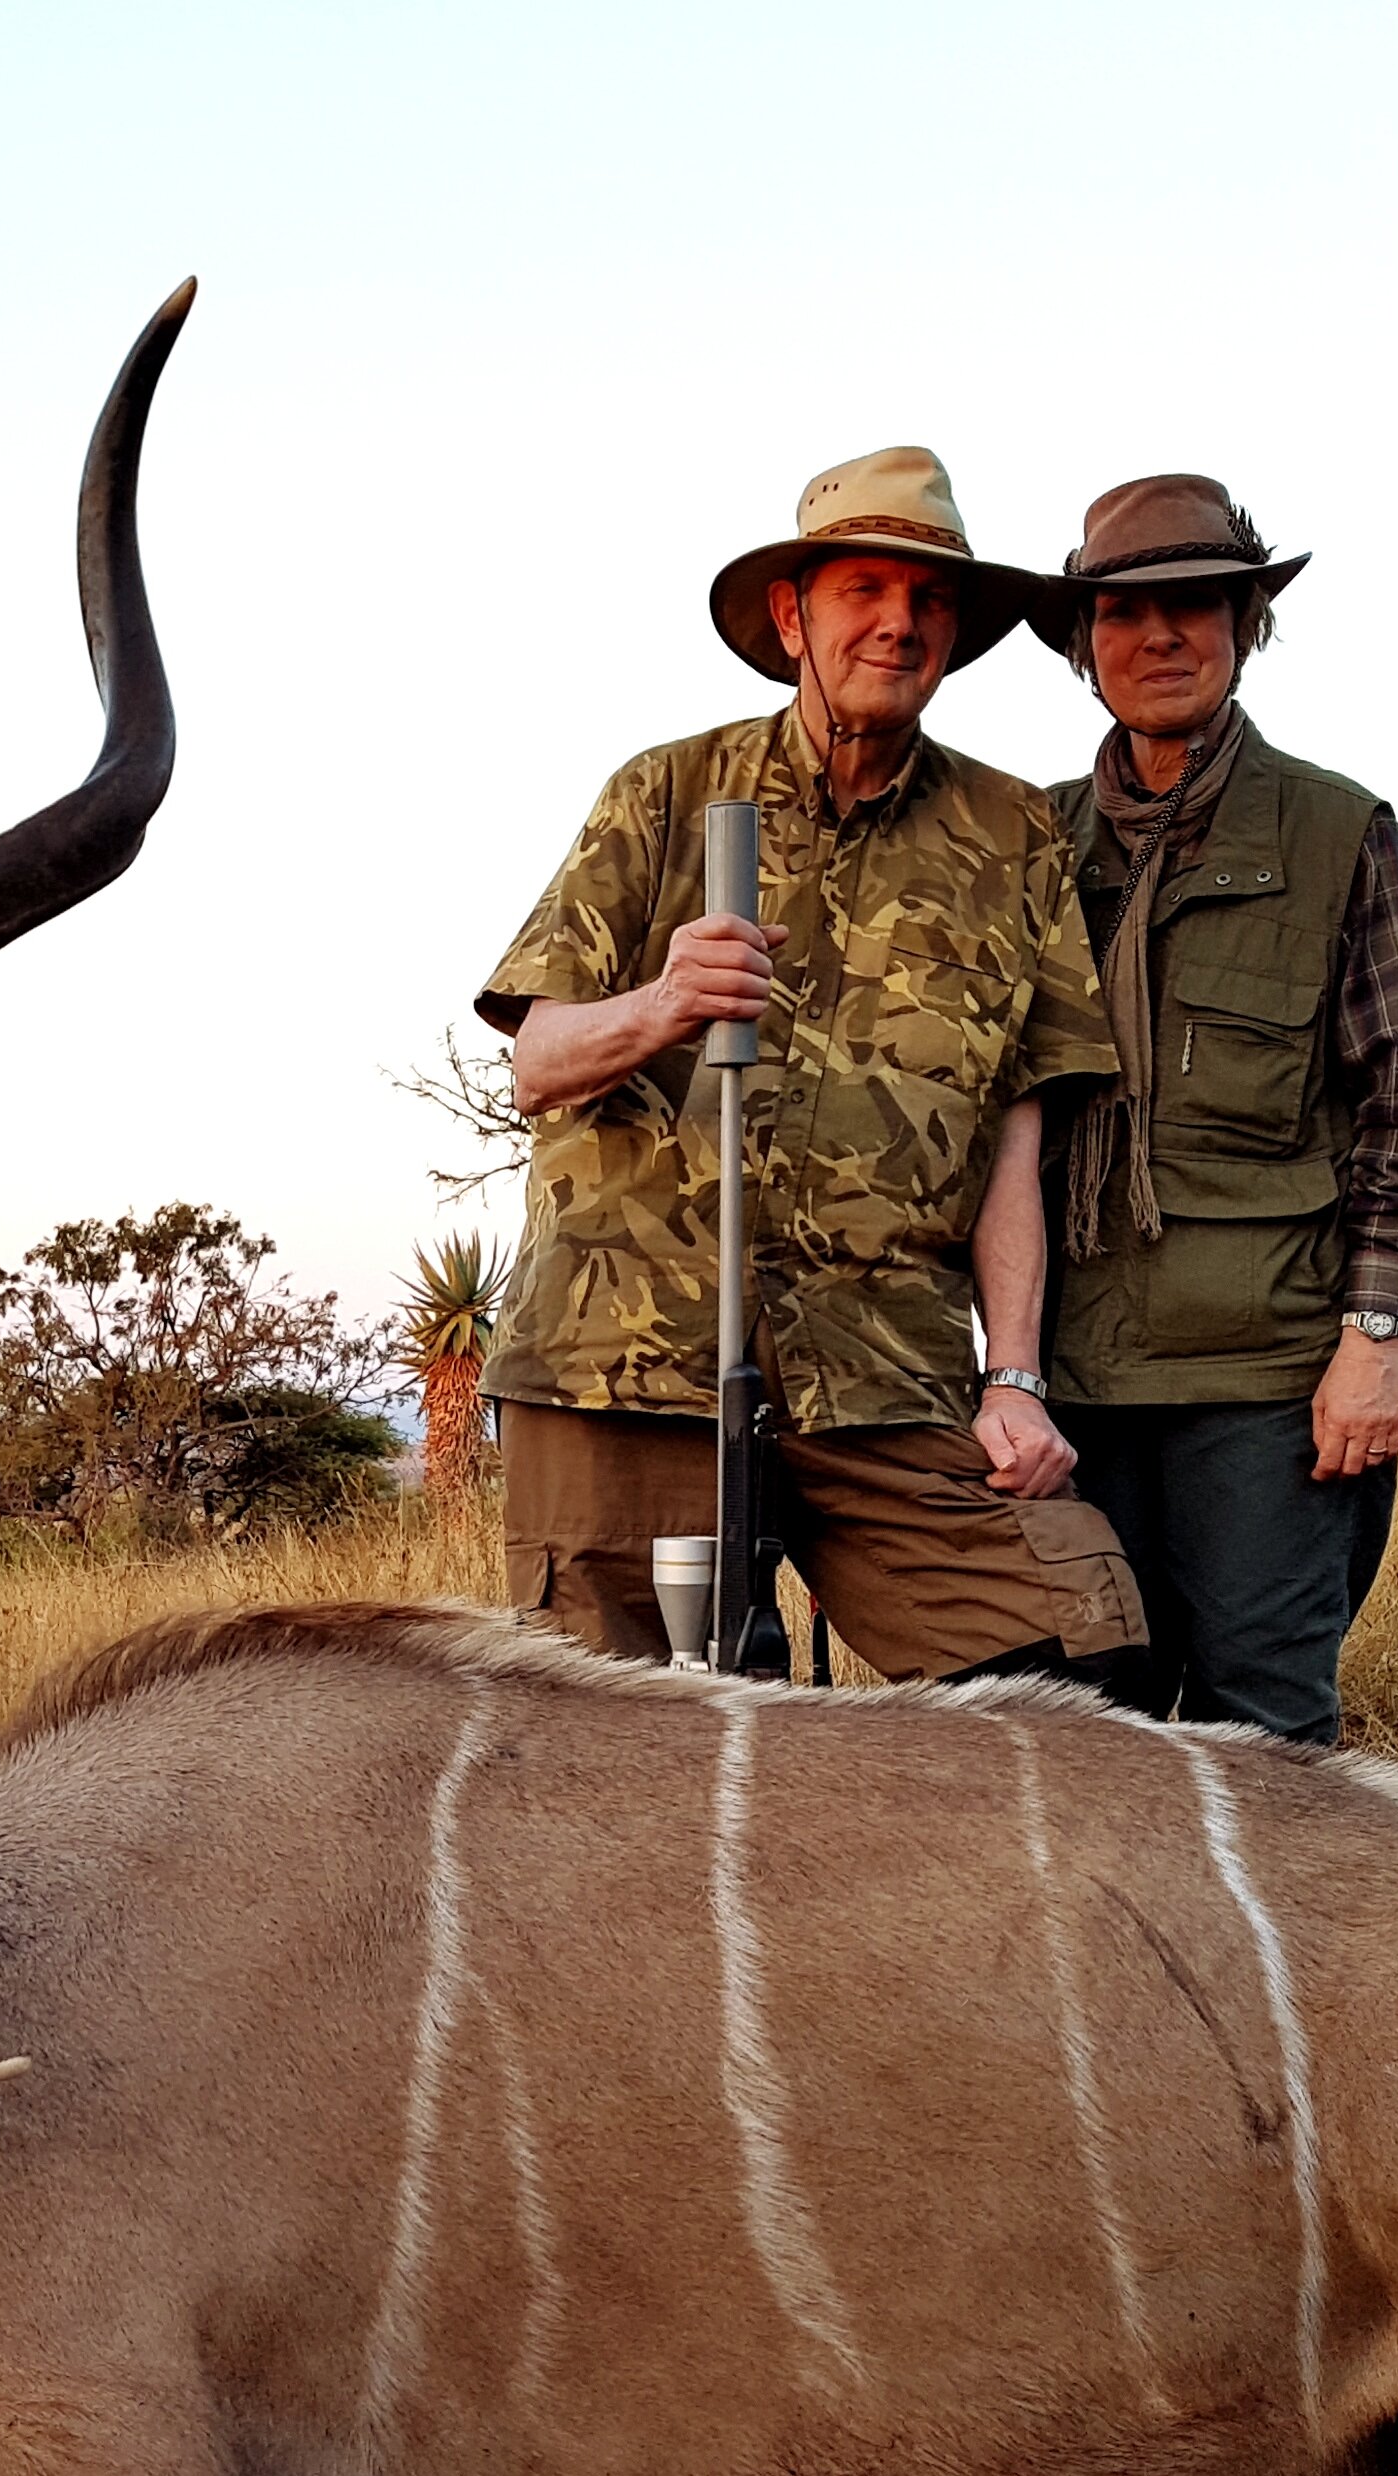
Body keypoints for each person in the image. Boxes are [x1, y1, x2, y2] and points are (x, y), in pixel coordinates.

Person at [471, 449, 1144, 1683]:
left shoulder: (1013, 833)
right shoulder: (665, 792)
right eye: (863, 591)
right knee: (616, 1767)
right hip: (628, 1370)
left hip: (882, 1370)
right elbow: (541, 1063)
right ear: (793, 616)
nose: (899, 623)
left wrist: (1014, 1378)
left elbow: (1014, 1138)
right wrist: (667, 1004)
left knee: (1068, 1656)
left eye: (930, 600)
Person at [1029, 475, 1398, 1745]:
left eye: (1196, 606)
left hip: (1269, 1385)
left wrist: (1375, 1343)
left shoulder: (1340, 831)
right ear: (1084, 644)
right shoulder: (1027, 846)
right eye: (1123, 613)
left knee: (1266, 1731)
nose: (1159, 637)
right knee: (1076, 1735)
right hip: (1067, 1386)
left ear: (1243, 625)